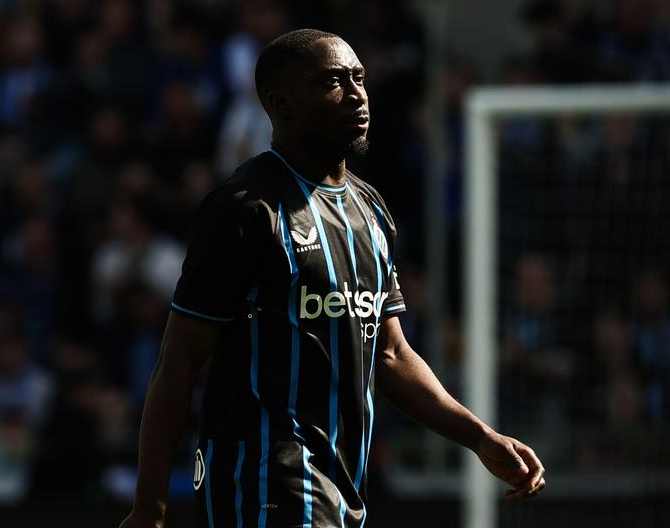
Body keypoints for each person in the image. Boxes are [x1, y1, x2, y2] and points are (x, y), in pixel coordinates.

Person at [120, 28, 545, 528]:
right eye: (332, 82)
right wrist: (149, 506)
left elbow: (389, 353)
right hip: (264, 482)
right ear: (282, 104)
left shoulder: (370, 210)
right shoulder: (246, 210)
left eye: (359, 78)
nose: (357, 93)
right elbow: (179, 362)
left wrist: (478, 436)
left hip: (344, 485)